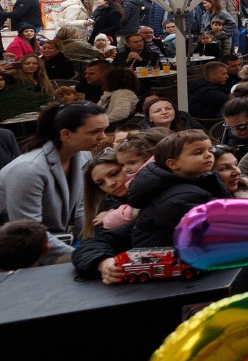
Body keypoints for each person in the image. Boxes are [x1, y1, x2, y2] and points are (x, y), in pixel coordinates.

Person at [0, 102, 109, 261]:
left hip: (47, 245)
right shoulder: (27, 170)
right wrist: (88, 257)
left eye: (105, 129)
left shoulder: (83, 156)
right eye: (96, 131)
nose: (104, 137)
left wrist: (100, 244)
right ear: (66, 134)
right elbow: (27, 234)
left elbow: (81, 209)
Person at [128, 130, 227, 247]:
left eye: (210, 150)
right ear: (173, 164)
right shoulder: (179, 196)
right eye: (198, 152)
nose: (208, 155)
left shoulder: (199, 182)